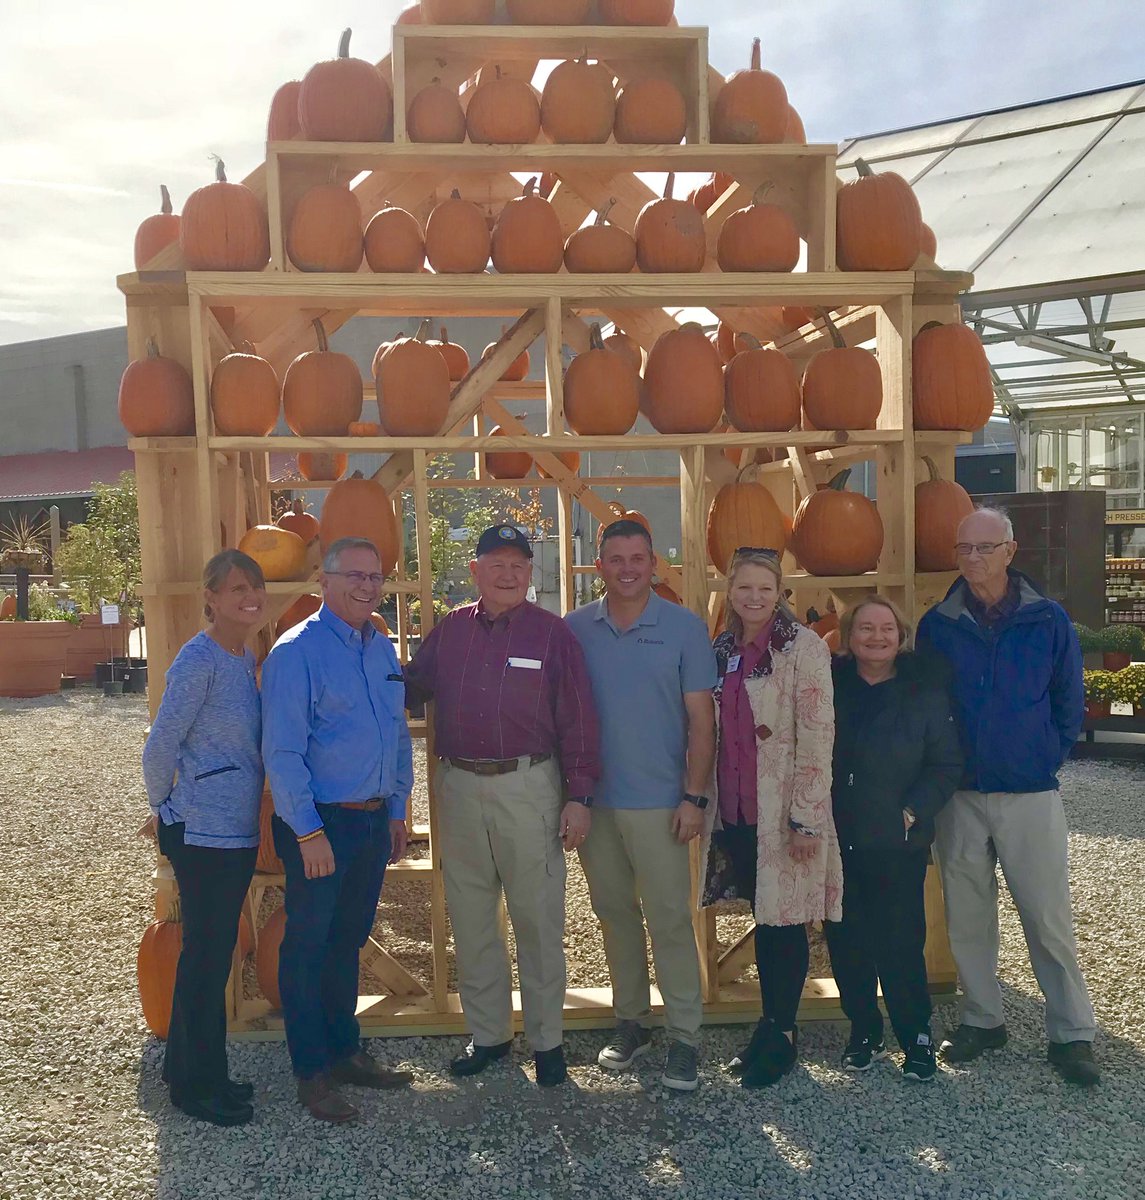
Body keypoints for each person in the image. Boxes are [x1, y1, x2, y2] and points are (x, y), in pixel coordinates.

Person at [404, 524, 599, 1088]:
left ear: (530, 573)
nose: (509, 574)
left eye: (519, 565)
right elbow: (409, 687)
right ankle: (489, 1034)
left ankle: (548, 1041)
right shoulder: (449, 634)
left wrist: (579, 797)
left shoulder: (552, 635)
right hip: (459, 787)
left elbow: (579, 719)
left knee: (538, 918)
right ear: (476, 572)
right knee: (471, 916)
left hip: (528, 786)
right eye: (497, 564)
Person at [916, 506, 1099, 1086]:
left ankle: (1071, 1032)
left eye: (985, 548)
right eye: (963, 548)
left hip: (1029, 794)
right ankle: (982, 1018)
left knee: (1046, 917)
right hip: (961, 796)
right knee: (968, 917)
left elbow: (1070, 702)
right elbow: (926, 707)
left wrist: (1047, 756)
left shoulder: (1049, 621)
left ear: (1010, 551)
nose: (973, 558)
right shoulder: (938, 625)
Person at [262, 536, 415, 1122]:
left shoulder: (380, 648)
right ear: (322, 583)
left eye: (374, 576)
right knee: (307, 947)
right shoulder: (294, 653)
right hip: (320, 823)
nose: (366, 586)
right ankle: (312, 1072)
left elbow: (396, 736)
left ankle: (345, 1049)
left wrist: (398, 808)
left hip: (372, 821)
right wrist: (306, 833)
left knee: (347, 941)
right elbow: (282, 752)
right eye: (353, 575)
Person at [565, 519, 716, 1092]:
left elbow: (703, 722)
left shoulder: (683, 628)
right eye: (615, 558)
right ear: (598, 565)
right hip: (595, 805)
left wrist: (693, 797)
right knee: (615, 918)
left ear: (654, 563)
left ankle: (685, 1035)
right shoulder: (575, 629)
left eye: (638, 558)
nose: (627, 568)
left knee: (670, 921)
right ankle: (632, 1021)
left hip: (662, 806)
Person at [698, 547, 840, 1088]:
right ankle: (768, 1023)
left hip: (781, 810)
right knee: (765, 914)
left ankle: (782, 1032)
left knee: (784, 925)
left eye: (764, 588)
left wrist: (806, 818)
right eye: (743, 588)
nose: (754, 598)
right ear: (730, 592)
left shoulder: (802, 648)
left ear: (779, 591)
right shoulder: (722, 648)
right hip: (735, 805)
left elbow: (817, 736)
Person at [141, 549, 267, 1127]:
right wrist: (165, 811)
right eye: (236, 587)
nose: (248, 595)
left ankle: (193, 1069)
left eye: (255, 586)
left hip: (235, 830)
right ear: (211, 599)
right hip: (201, 833)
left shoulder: (242, 658)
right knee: (204, 958)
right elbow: (161, 744)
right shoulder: (200, 660)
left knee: (211, 958)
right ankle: (196, 1088)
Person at [823, 595, 962, 1082]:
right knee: (847, 938)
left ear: (901, 636)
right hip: (838, 836)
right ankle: (863, 1029)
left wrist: (914, 810)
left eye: (886, 629)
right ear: (847, 636)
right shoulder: (830, 686)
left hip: (897, 839)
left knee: (902, 940)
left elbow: (946, 764)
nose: (876, 637)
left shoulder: (923, 691)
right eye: (865, 629)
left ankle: (915, 1034)